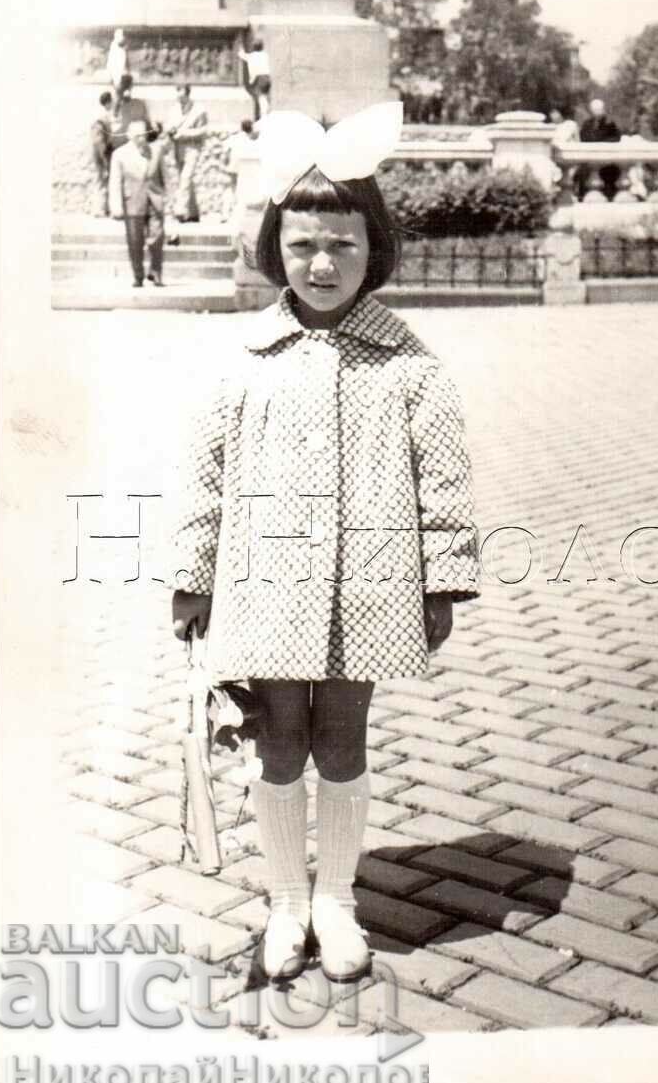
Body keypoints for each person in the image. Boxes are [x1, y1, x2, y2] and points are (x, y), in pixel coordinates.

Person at [167, 102, 480, 984]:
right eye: (304, 244)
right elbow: (204, 475)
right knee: (278, 742)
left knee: (342, 739)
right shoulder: (244, 358)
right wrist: (191, 577)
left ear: (371, 249)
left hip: (369, 588)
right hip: (262, 586)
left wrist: (443, 581)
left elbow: (442, 479)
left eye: (343, 245)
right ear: (277, 250)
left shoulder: (407, 361)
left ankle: (336, 900)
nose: (322, 263)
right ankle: (284, 902)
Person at [108, 120, 169, 287]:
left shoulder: (156, 151)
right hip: (132, 202)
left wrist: (169, 199)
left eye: (143, 134)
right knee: (135, 241)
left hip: (154, 201)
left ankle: (156, 272)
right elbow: (115, 181)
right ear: (129, 136)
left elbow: (166, 177)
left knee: (157, 237)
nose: (141, 138)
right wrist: (116, 206)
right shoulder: (119, 154)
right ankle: (138, 275)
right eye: (137, 135)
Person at [168, 84, 209, 223]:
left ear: (187, 93)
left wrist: (184, 134)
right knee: (184, 179)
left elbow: (203, 131)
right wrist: (171, 131)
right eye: (177, 91)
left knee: (186, 177)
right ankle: (193, 213)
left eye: (181, 92)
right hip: (178, 148)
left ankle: (181, 211)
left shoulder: (199, 110)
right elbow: (170, 125)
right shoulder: (174, 109)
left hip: (192, 147)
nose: (179, 95)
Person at [578, 98, 622, 200]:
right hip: (589, 157)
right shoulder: (587, 124)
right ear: (591, 110)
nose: (598, 111)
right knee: (582, 171)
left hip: (606, 159)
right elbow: (583, 137)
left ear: (603, 109)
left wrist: (602, 143)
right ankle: (583, 195)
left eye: (600, 109)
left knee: (611, 171)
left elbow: (616, 138)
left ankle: (609, 195)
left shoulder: (610, 124)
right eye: (595, 109)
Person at [220, 118, 257, 224]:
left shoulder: (233, 138)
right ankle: (237, 213)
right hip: (243, 167)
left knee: (229, 189)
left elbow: (225, 151)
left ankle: (225, 213)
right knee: (240, 190)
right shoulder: (250, 140)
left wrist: (224, 164)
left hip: (232, 166)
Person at [109, 74, 152, 151]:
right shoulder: (140, 102)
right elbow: (147, 123)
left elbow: (115, 115)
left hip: (128, 137)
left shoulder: (120, 102)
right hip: (136, 137)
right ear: (131, 85)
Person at [90, 91, 115, 217]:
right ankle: (99, 209)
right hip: (102, 151)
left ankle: (101, 208)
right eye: (112, 101)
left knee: (101, 179)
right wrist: (104, 156)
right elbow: (98, 139)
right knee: (101, 179)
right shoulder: (101, 118)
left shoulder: (102, 116)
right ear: (108, 102)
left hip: (101, 151)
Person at [239, 40, 272, 121]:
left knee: (261, 98)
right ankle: (264, 115)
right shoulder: (265, 55)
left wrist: (240, 48)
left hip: (259, 78)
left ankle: (264, 117)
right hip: (267, 77)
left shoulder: (252, 56)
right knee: (265, 97)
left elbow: (242, 56)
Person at [106, 27, 128, 91]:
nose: (123, 38)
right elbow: (111, 62)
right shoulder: (114, 46)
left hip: (121, 72)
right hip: (116, 71)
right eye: (122, 36)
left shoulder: (122, 48)